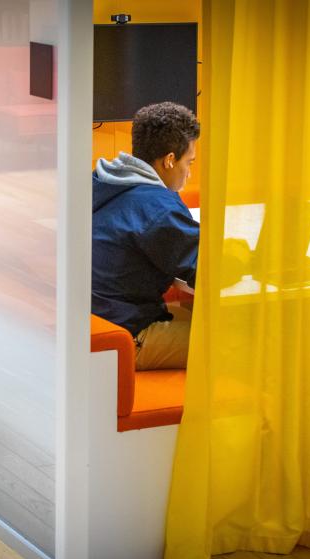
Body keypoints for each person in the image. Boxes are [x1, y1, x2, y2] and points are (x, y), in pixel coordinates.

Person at [92, 102, 200, 370]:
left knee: (199, 317)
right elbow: (206, 269)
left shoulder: (103, 181)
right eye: (189, 162)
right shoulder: (158, 208)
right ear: (170, 160)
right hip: (126, 335)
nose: (190, 173)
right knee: (237, 341)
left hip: (95, 321)